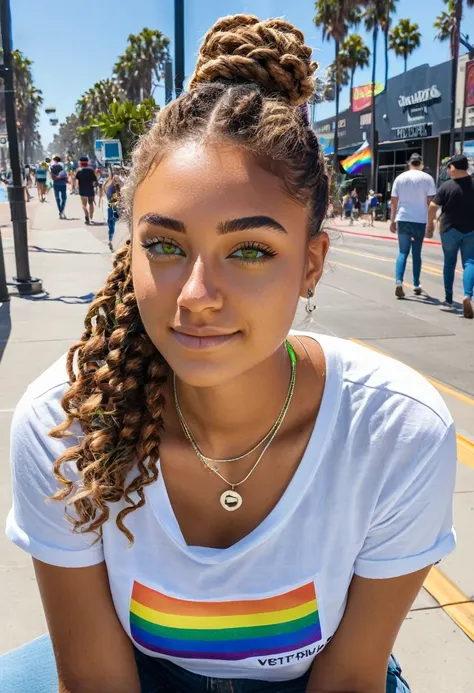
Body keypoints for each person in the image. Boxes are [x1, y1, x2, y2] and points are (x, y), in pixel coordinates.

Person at [3, 14, 456, 693]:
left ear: (311, 263)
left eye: (249, 250)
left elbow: (350, 676)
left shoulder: (397, 431)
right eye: (164, 244)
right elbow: (96, 678)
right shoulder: (66, 427)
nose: (195, 295)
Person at [427, 153, 474, 319]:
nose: (449, 171)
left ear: (454, 169)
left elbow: (433, 206)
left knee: (449, 263)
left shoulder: (447, 186)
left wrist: (430, 224)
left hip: (449, 230)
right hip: (471, 230)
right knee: (470, 262)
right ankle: (468, 295)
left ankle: (448, 300)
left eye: (450, 167)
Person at [390, 153, 436, 298]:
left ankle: (399, 282)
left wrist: (392, 220)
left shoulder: (400, 178)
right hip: (419, 220)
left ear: (409, 163)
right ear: (421, 164)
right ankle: (416, 284)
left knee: (403, 252)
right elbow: (430, 202)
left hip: (403, 218)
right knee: (416, 253)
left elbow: (394, 202)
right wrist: (431, 223)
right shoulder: (427, 179)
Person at [75, 155, 98, 224]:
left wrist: (76, 188)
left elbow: (77, 181)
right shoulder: (91, 170)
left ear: (80, 163)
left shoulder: (78, 170)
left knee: (83, 204)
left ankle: (86, 214)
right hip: (90, 189)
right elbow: (95, 179)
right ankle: (91, 216)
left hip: (82, 189)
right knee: (91, 203)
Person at [104, 171, 121, 251]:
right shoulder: (110, 184)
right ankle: (112, 240)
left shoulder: (108, 183)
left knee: (112, 224)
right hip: (114, 207)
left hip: (114, 207)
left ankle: (112, 240)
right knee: (113, 224)